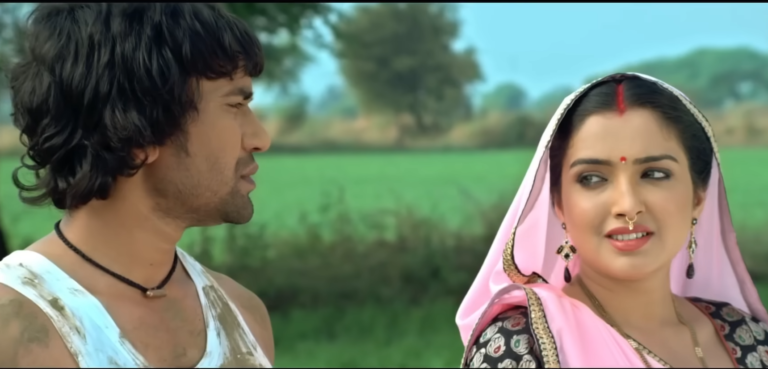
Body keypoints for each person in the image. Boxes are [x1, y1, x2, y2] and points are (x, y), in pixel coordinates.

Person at [0, 4, 273, 368]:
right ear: (139, 131)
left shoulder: (244, 318)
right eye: (235, 104)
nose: (260, 138)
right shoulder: (14, 327)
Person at [456, 73, 768, 368]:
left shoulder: (747, 336)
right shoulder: (522, 343)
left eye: (654, 174)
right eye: (592, 178)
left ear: (698, 197)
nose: (628, 207)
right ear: (559, 204)